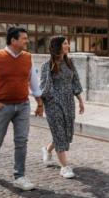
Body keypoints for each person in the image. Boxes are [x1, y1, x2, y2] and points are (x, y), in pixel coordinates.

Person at [0, 26, 43, 191]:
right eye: (24, 38)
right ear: (13, 40)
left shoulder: (28, 57)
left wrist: (39, 103)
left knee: (21, 141)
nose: (27, 41)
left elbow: (34, 82)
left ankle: (19, 176)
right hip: (2, 106)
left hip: (23, 105)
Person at [40, 36, 84, 179]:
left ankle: (47, 150)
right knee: (59, 133)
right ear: (58, 46)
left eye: (67, 43)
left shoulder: (70, 63)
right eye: (65, 43)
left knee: (65, 134)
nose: (68, 46)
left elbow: (75, 81)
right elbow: (43, 87)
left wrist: (80, 101)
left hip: (68, 102)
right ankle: (64, 167)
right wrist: (41, 104)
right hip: (53, 103)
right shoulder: (47, 66)